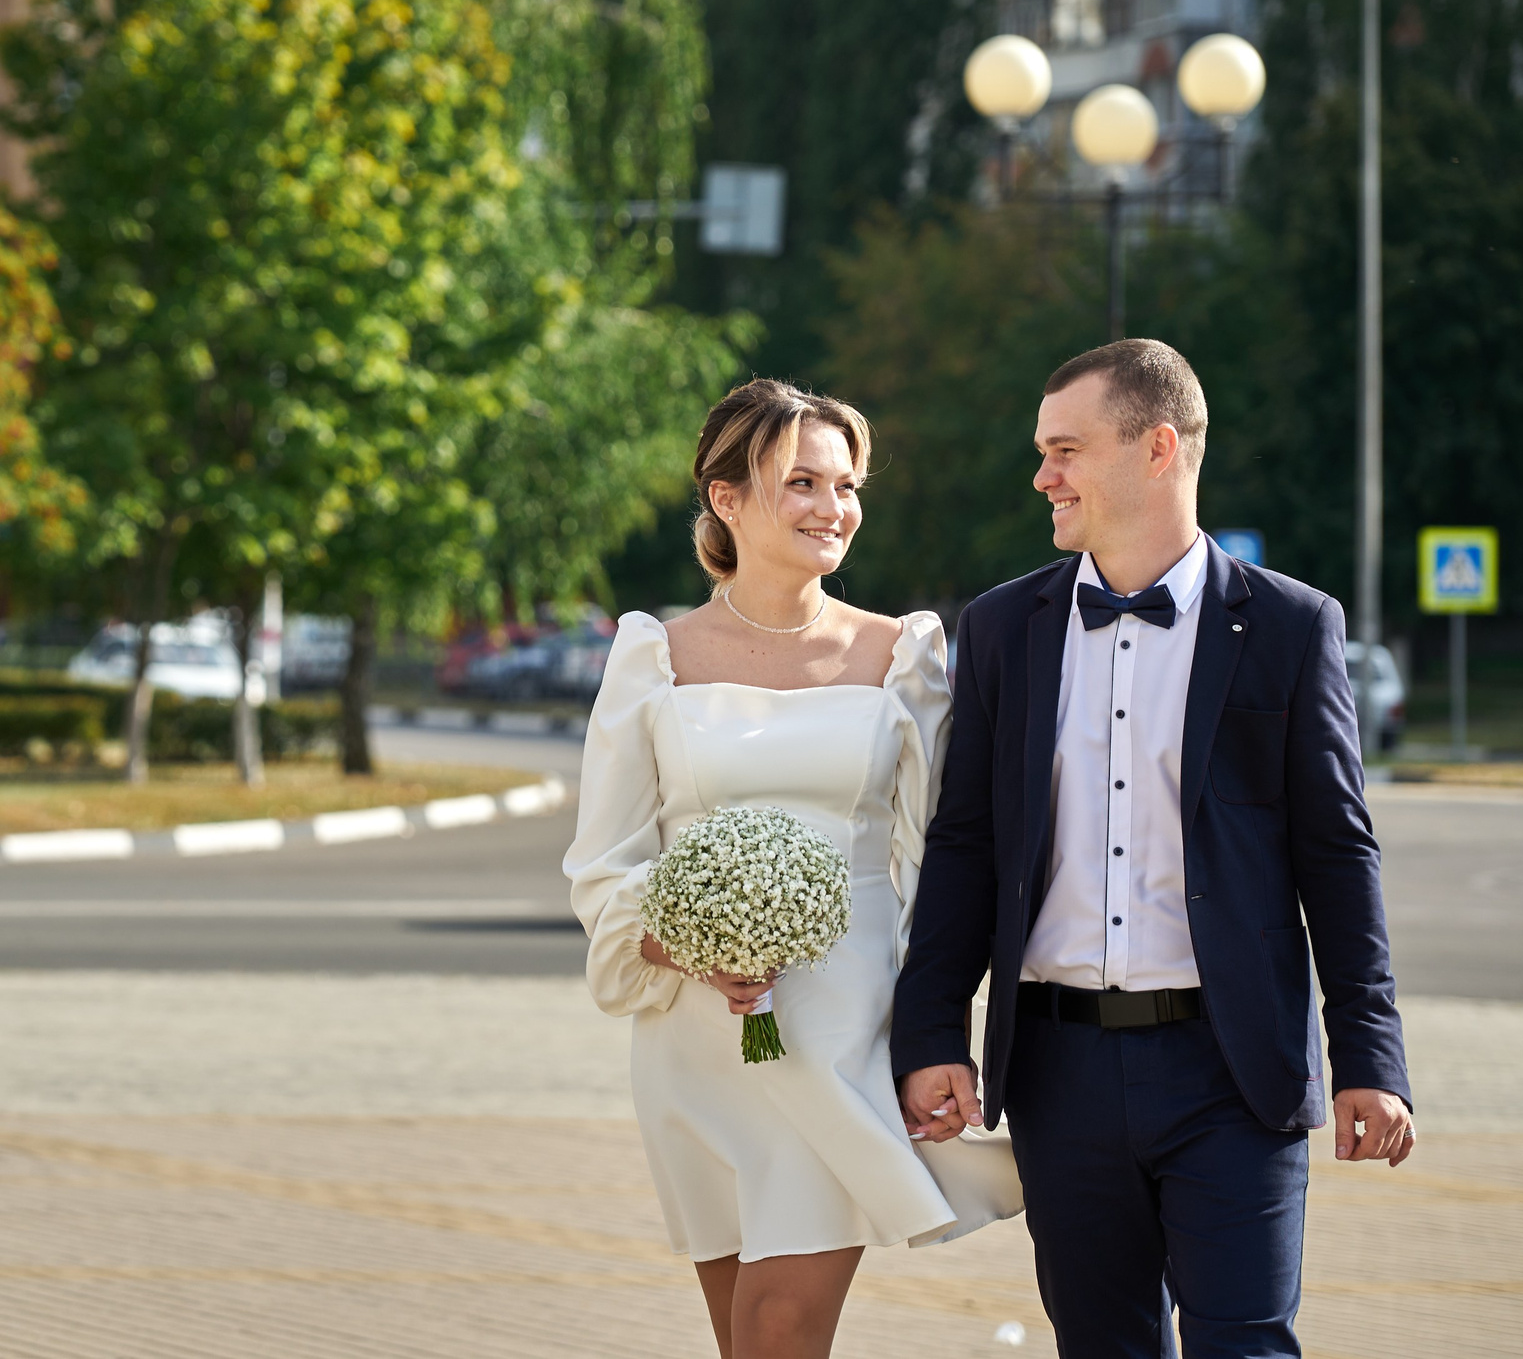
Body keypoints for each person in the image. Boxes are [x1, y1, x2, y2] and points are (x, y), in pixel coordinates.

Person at [893, 339, 1414, 1359]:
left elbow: (1338, 855)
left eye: (1066, 449)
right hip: (1057, 1070)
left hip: (1233, 1065)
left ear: (1158, 447)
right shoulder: (1001, 627)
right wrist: (930, 1032)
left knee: (1244, 1343)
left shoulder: (1290, 625)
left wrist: (1370, 1055)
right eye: (1043, 452)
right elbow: (965, 845)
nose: (1043, 476)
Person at [566, 379, 1022, 1359]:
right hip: (696, 1033)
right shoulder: (654, 656)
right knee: (744, 1336)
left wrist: (936, 1026)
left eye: (845, 484)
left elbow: (940, 855)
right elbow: (604, 856)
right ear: (726, 498)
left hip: (842, 1020)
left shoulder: (901, 654)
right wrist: (682, 943)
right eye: (802, 481)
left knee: (780, 1325)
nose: (833, 507)